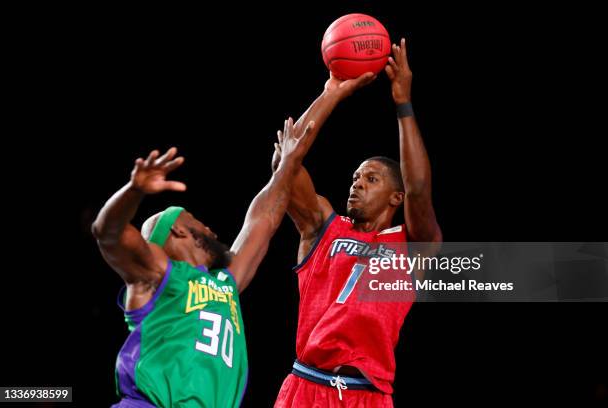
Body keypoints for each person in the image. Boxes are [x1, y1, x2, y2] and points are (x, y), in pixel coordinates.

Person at [92, 118, 314, 407]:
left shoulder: (225, 283)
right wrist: (134, 190)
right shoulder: (158, 273)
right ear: (179, 229)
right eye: (197, 220)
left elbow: (264, 219)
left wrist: (288, 163)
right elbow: (107, 233)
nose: (210, 229)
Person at [273, 39, 442, 407]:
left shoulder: (413, 248)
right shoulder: (323, 227)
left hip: (368, 395)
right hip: (307, 385)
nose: (357, 184)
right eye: (355, 178)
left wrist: (403, 104)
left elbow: (418, 187)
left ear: (396, 198)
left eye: (370, 179)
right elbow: (285, 167)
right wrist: (331, 92)